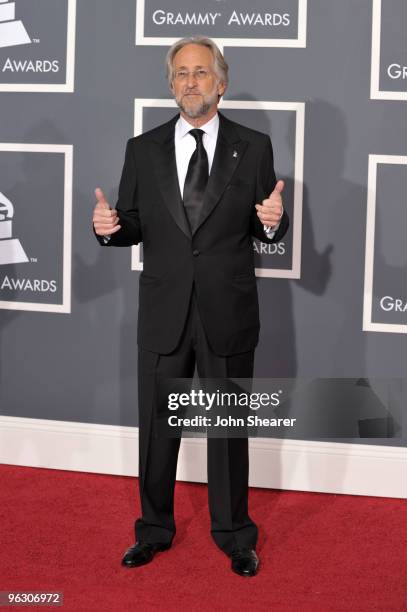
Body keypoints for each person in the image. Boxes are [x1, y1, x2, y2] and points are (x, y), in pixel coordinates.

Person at [93, 35, 289, 577]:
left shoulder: (253, 146)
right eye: (181, 73)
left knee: (228, 430)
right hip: (164, 310)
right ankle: (153, 530)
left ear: (221, 83)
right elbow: (130, 221)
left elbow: (264, 220)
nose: (190, 82)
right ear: (171, 84)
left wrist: (273, 222)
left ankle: (234, 535)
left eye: (201, 72)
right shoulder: (143, 148)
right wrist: (111, 230)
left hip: (227, 308)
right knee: (157, 430)